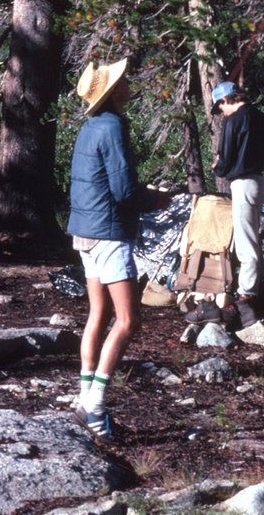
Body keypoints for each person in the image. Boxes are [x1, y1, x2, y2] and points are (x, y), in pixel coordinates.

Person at [67, 57, 163, 442]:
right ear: (112, 93)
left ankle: (83, 398)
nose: (128, 82)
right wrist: (155, 200)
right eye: (122, 80)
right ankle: (95, 408)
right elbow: (124, 191)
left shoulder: (89, 127)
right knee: (127, 321)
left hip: (83, 231)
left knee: (97, 313)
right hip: (108, 232)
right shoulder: (114, 127)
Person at [211, 80, 264, 326]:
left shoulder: (233, 121)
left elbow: (225, 161)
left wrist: (218, 167)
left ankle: (247, 295)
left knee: (246, 241)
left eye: (220, 105)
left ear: (227, 100)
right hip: (259, 182)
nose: (221, 111)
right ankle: (253, 290)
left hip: (242, 183)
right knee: (250, 235)